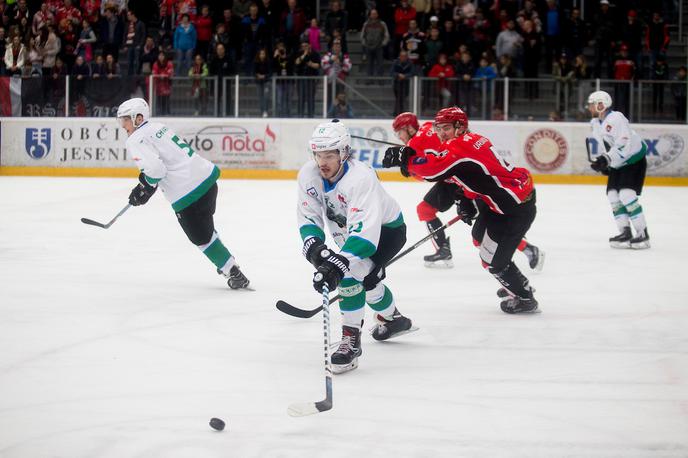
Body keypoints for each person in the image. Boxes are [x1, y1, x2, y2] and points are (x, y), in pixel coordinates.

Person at [382, 107, 540, 314]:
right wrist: (465, 198)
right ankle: (516, 281)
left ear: (460, 127)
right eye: (439, 128)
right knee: (479, 238)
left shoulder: (460, 146)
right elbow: (474, 174)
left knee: (493, 263)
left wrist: (406, 159)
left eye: (446, 128)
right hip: (503, 202)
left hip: (514, 208)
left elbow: (433, 170)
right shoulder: (471, 140)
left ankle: (524, 297)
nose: (441, 133)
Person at [297, 119, 415, 373]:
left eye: (329, 155)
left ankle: (351, 344)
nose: (322, 162)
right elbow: (309, 216)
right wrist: (315, 248)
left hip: (386, 232)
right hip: (348, 235)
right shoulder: (309, 174)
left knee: (352, 275)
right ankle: (394, 319)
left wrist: (337, 265)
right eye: (318, 154)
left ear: (344, 152)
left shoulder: (361, 178)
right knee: (368, 280)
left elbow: (365, 234)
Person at [116, 98, 251, 289]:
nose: (123, 125)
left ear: (138, 118)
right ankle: (225, 258)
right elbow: (164, 164)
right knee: (206, 228)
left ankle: (232, 271)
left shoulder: (135, 139)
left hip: (187, 194)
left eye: (126, 120)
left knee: (201, 238)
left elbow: (155, 171)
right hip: (208, 181)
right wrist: (147, 186)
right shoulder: (158, 127)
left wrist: (143, 188)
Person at [587, 91, 650, 249]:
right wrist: (604, 162)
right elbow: (607, 145)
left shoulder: (616, 118)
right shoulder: (595, 123)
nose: (589, 107)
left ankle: (643, 234)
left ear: (601, 105)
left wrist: (607, 159)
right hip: (619, 162)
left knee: (626, 194)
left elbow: (623, 143)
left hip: (633, 159)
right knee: (613, 195)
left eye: (592, 104)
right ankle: (625, 232)